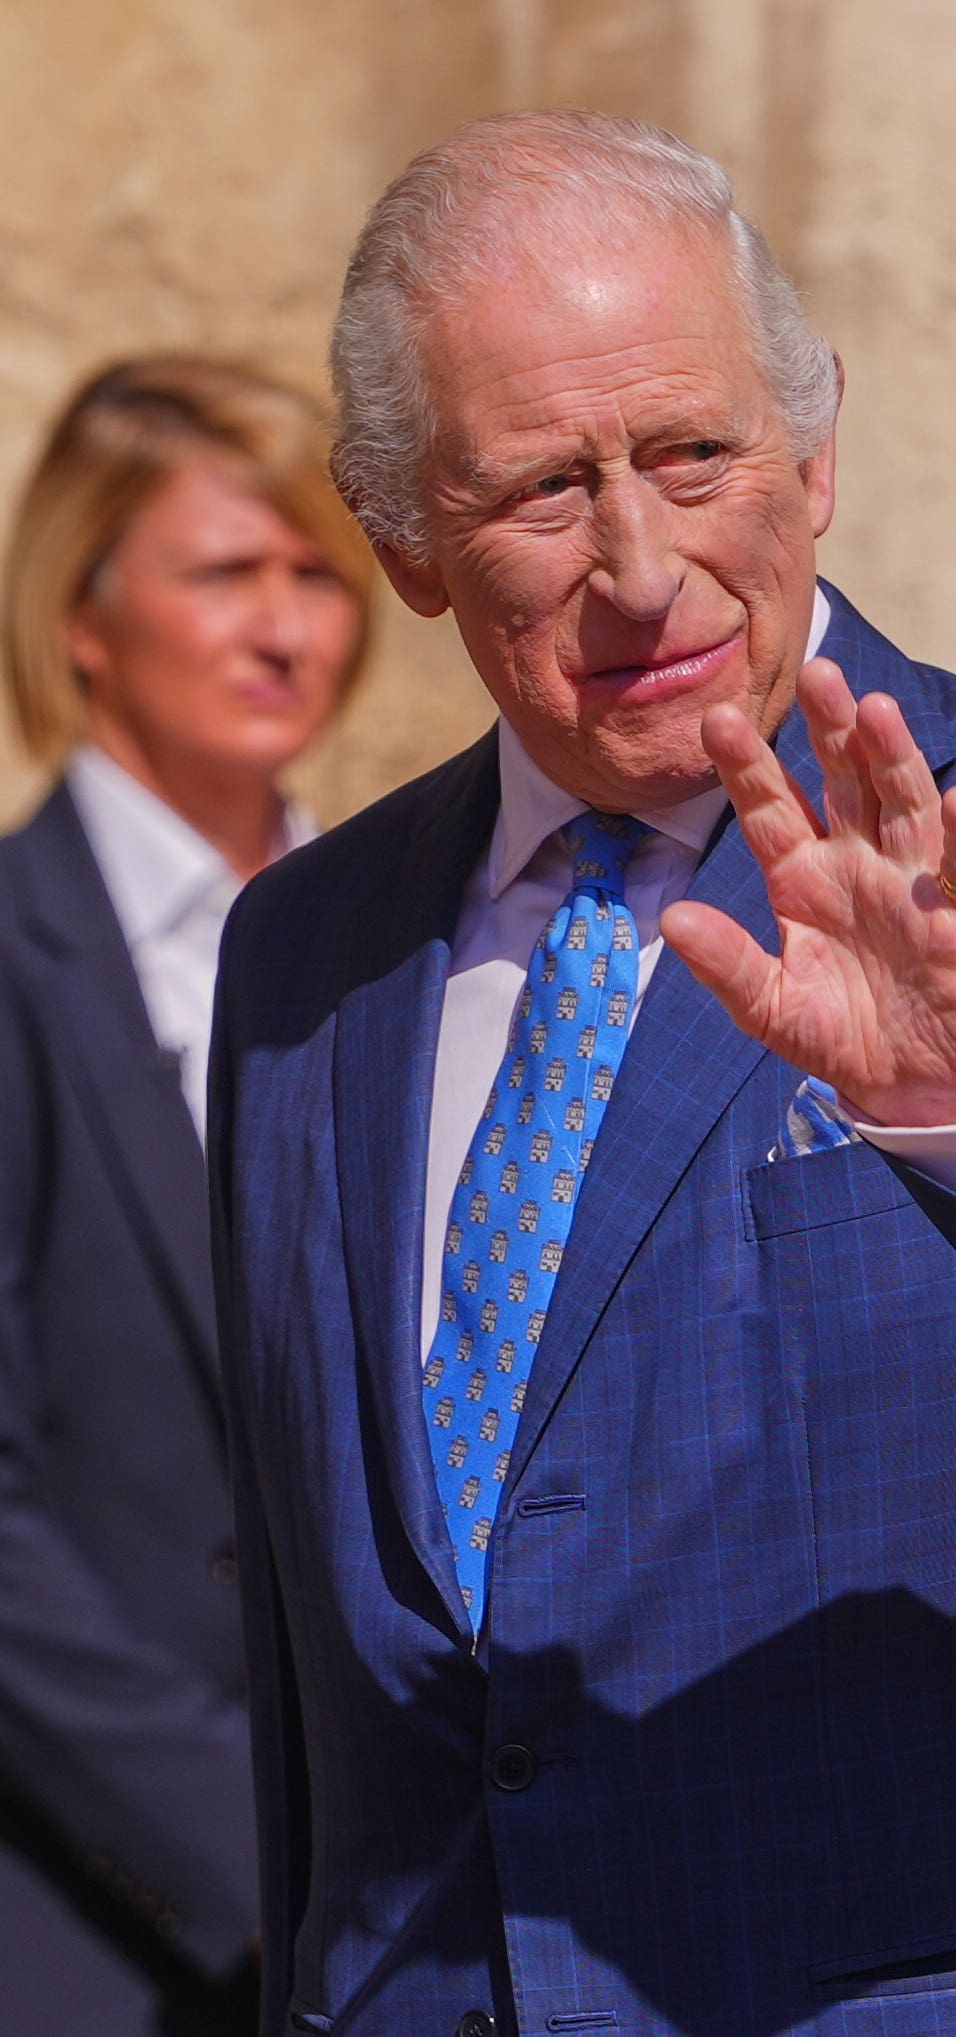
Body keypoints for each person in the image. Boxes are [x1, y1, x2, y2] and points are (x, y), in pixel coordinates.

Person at [208, 110, 956, 2037]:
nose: (640, 561)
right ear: (403, 545)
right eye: (541, 487)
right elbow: (328, 1649)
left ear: (819, 448)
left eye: (694, 453)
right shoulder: (308, 951)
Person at [0, 357, 371, 2037]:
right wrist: (267, 1862)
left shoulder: (418, 952)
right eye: (228, 572)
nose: (288, 628)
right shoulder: (12, 961)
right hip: (93, 1927)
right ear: (81, 610)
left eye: (321, 578)